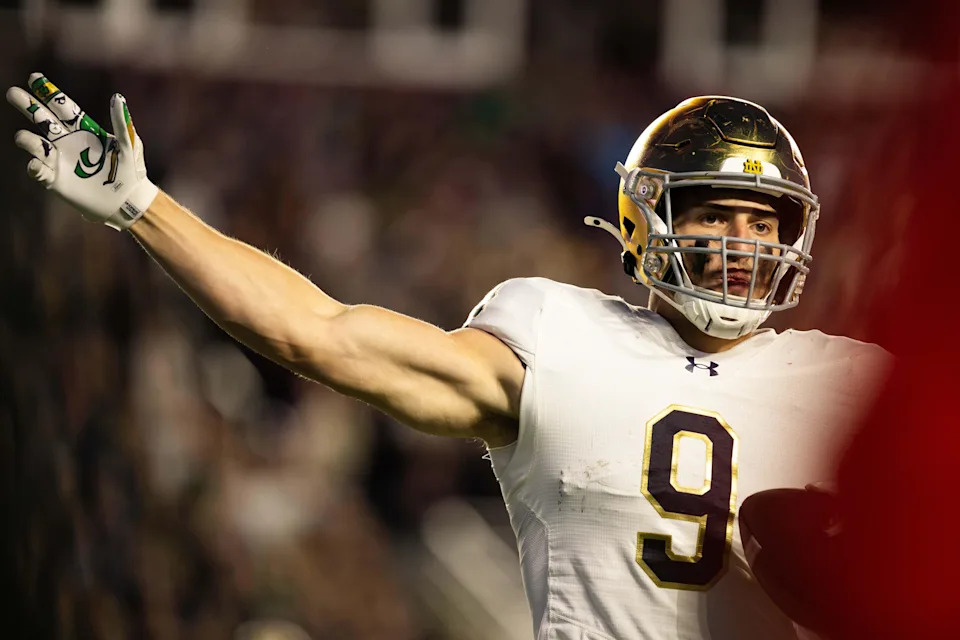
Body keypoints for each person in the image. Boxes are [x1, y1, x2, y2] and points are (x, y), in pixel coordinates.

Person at [7, 74, 890, 639]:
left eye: (763, 220)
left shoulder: (855, 382)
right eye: (715, 211)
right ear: (649, 221)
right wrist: (145, 208)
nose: (743, 241)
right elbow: (319, 334)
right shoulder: (559, 335)